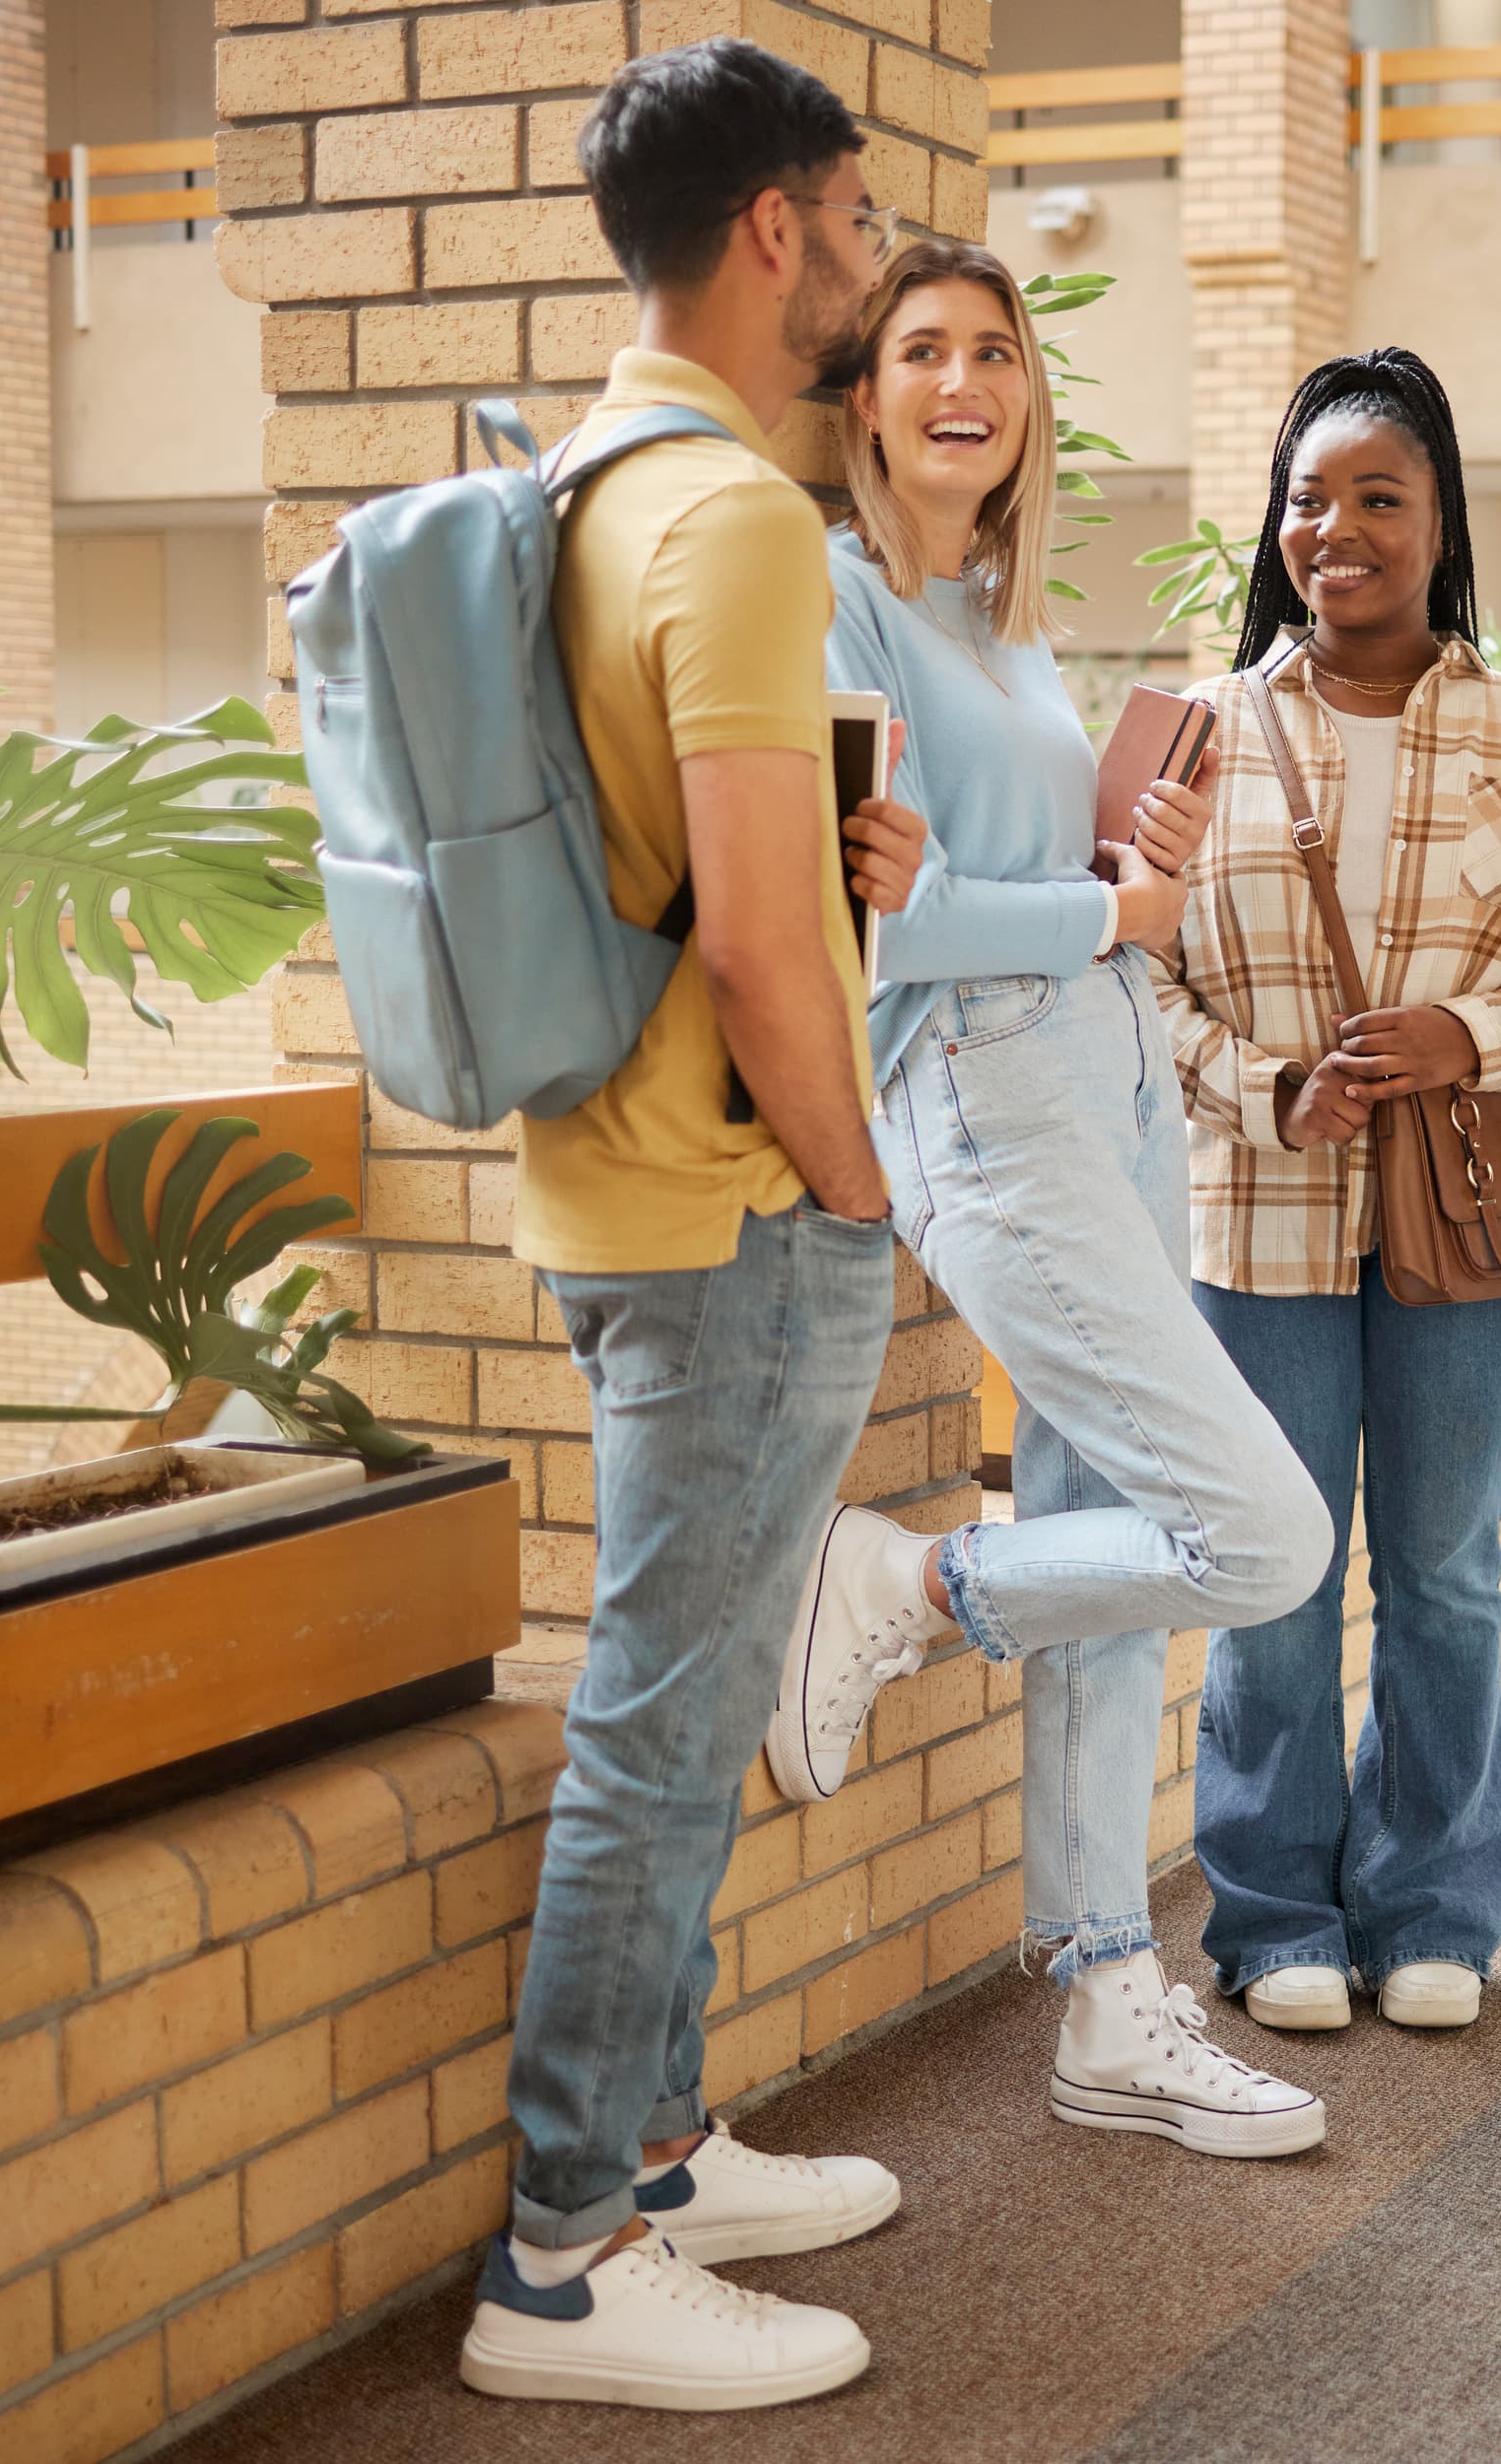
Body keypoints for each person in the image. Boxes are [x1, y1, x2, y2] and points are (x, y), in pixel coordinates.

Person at [462, 38, 932, 2412]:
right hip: (732, 1211)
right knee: (662, 1729)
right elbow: (751, 949)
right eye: (855, 223)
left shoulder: (582, 479)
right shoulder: (740, 516)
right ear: (775, 229)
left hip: (608, 1182)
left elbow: (687, 850)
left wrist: (860, 857)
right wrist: (864, 1193)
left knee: (669, 1692)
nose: (869, 265)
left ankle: (650, 2137)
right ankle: (561, 2255)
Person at [771, 237, 1337, 2159]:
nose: (962, 379)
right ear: (864, 400)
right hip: (984, 1096)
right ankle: (909, 1580)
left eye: (993, 352)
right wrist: (1118, 905)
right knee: (1257, 1531)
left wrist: (1122, 855)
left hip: (1101, 1084)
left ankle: (1106, 1993)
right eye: (920, 349)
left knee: (1117, 1544)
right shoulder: (838, 604)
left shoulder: (996, 623)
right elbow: (887, 915)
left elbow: (991, 869)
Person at [1154, 349, 1501, 2036]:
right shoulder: (1196, 736)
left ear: (1440, 526)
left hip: (1468, 1213)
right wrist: (1264, 1086)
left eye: (1379, 497)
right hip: (1254, 1213)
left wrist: (1466, 1038)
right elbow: (1132, 980)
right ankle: (1274, 1911)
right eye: (1308, 497)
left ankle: (1433, 1901)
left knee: (1443, 1565)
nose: (1336, 528)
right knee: (1273, 1569)